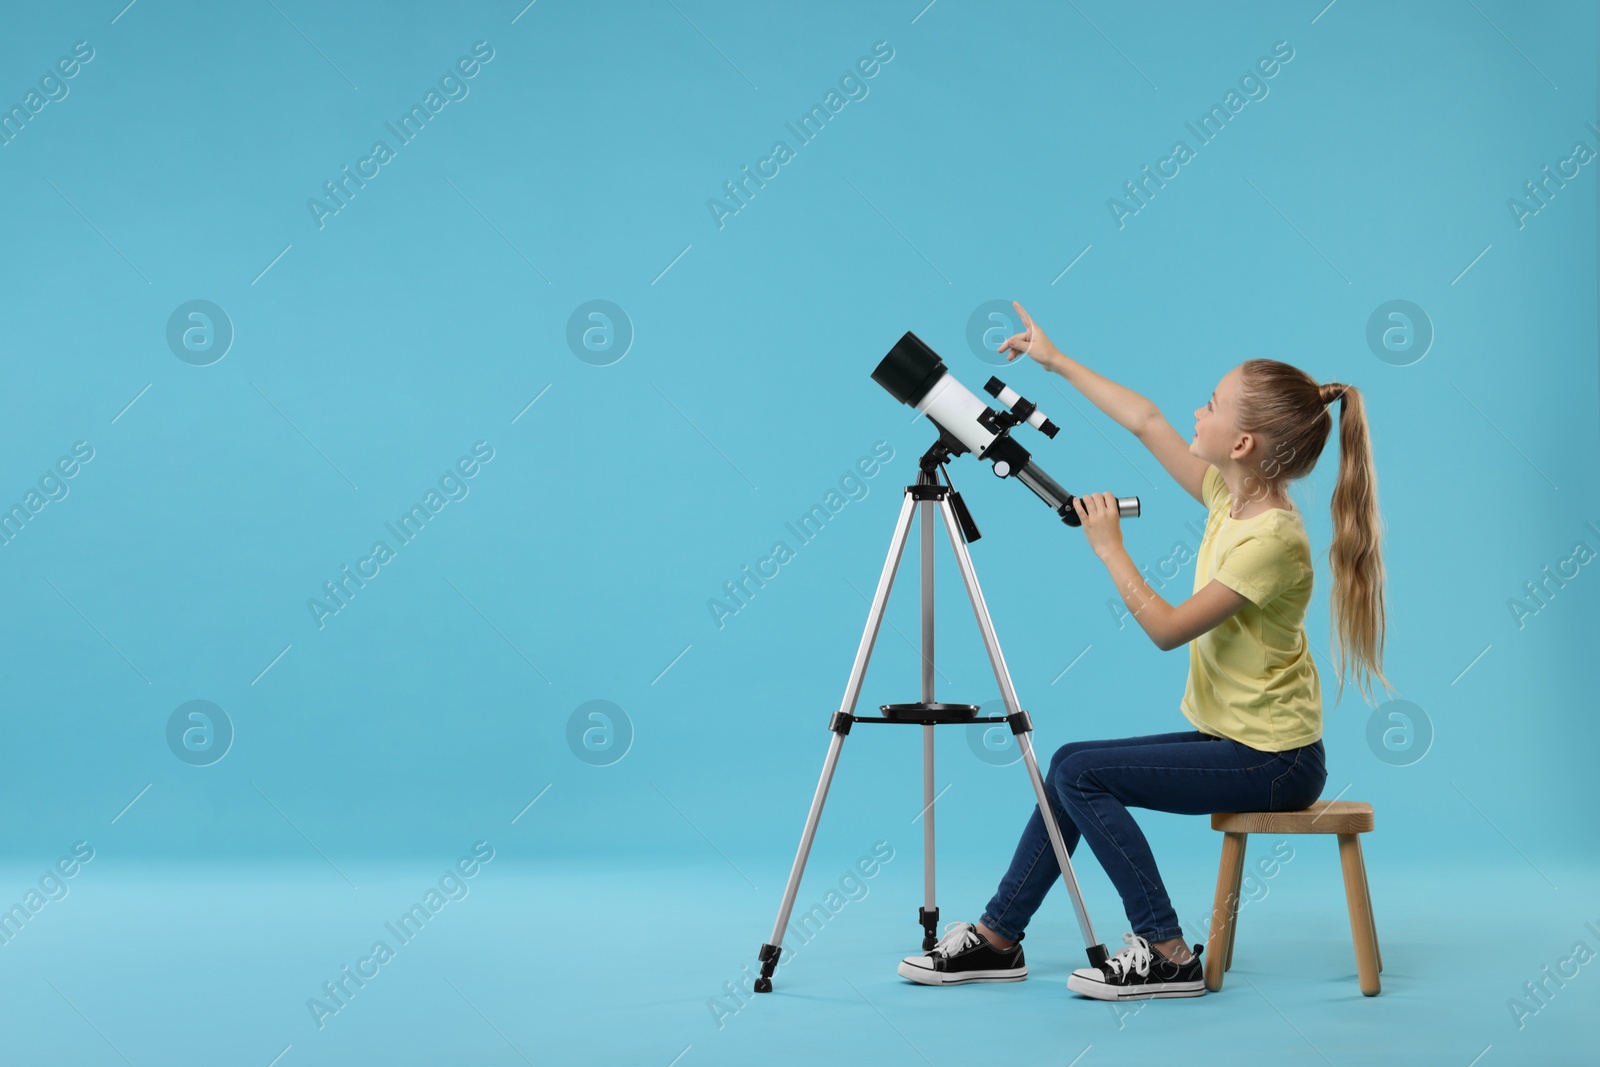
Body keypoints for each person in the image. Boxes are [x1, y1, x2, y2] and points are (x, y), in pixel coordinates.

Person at [898, 302, 1395, 1000]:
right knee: (1069, 768)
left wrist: (1109, 549)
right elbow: (1147, 419)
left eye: (1214, 404)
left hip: (1276, 761)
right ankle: (1001, 935)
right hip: (1236, 738)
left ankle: (1166, 949)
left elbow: (1166, 629)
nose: (1199, 409)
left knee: (1079, 770)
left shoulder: (1272, 540)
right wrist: (1056, 359)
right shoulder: (1231, 497)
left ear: (1244, 442)